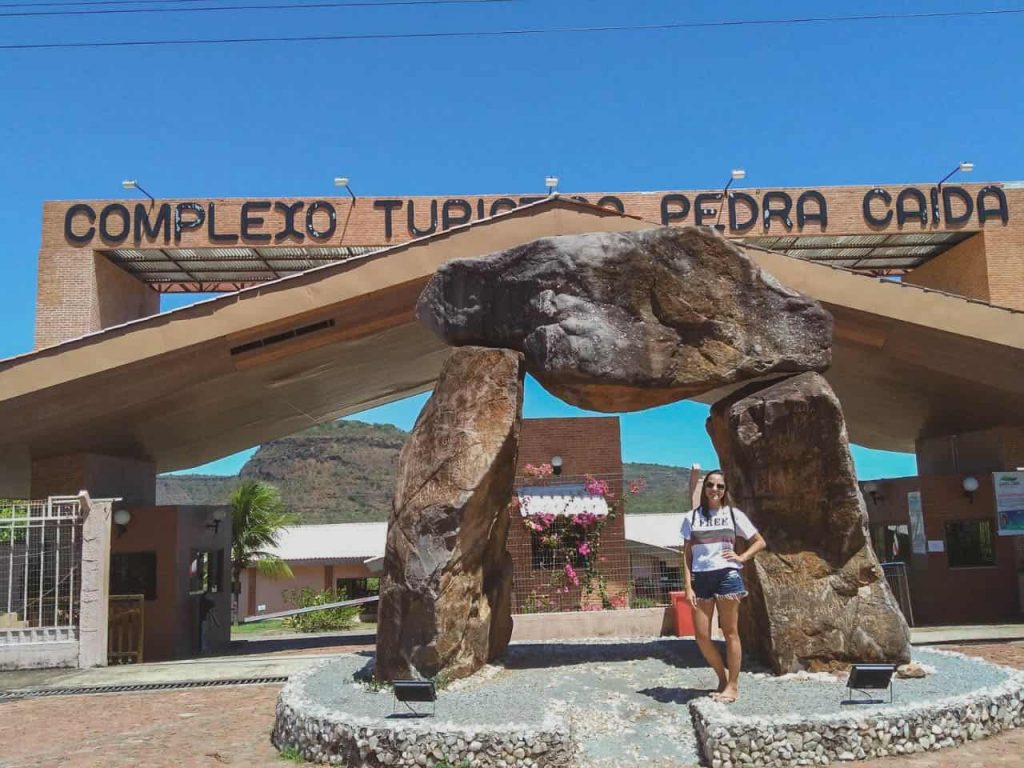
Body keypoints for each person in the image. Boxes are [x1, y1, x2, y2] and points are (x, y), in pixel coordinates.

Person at [681, 469, 766, 703]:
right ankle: (722, 677)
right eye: (710, 485)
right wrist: (688, 586)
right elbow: (687, 554)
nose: (714, 490)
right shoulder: (692, 517)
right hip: (701, 580)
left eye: (720, 486)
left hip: (728, 576)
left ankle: (733, 686)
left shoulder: (733, 514)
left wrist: (741, 557)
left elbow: (759, 542)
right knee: (701, 636)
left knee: (730, 633)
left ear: (725, 490)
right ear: (704, 487)